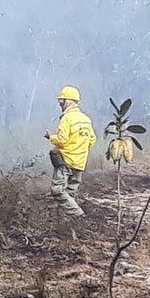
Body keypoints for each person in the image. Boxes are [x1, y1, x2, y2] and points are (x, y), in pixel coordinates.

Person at [45, 86, 96, 218]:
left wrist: (50, 137)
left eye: (61, 101)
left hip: (66, 161)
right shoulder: (86, 119)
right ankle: (66, 223)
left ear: (67, 100)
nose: (59, 104)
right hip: (79, 163)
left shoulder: (67, 118)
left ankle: (79, 216)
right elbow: (92, 140)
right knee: (70, 193)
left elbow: (62, 140)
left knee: (58, 190)